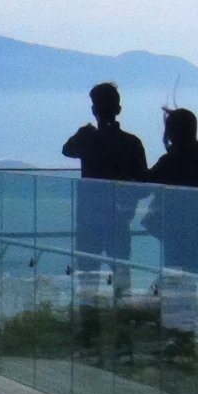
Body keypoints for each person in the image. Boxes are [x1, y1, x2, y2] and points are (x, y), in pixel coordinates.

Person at [62, 82, 148, 279]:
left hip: (88, 220)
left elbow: (67, 150)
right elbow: (145, 183)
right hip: (120, 219)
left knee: (87, 276)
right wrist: (128, 198)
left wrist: (81, 133)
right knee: (121, 275)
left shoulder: (88, 140)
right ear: (118, 109)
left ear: (94, 110)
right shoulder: (131, 143)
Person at [146, 107, 198, 273]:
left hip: (174, 224)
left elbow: (146, 182)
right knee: (192, 267)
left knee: (175, 267)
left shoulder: (170, 160)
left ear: (171, 132)